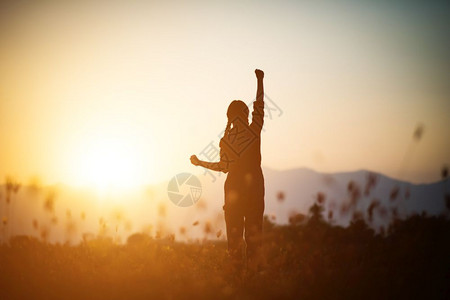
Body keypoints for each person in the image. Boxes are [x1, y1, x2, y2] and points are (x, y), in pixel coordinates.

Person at [190, 69, 265, 271]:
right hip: (246, 189)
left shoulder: (239, 136)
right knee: (244, 238)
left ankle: (243, 280)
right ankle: (246, 280)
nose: (245, 117)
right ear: (239, 117)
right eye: (243, 115)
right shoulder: (246, 134)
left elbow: (224, 167)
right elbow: (224, 167)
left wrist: (260, 81)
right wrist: (200, 163)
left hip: (241, 190)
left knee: (243, 238)